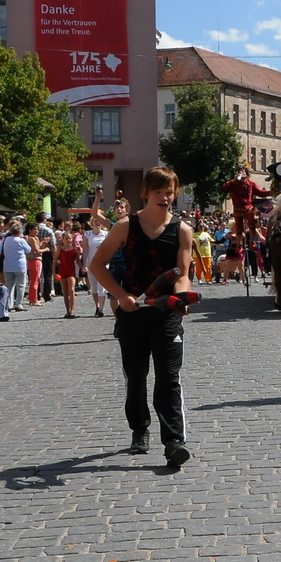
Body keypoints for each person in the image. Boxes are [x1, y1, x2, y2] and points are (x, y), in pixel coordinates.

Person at [88, 166, 195, 469]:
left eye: (169, 191)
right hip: (133, 313)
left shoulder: (182, 230)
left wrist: (182, 297)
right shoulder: (125, 226)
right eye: (158, 191)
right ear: (146, 193)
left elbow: (183, 274)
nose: (164, 197)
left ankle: (174, 441)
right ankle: (139, 428)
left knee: (169, 378)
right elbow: (97, 265)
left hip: (165, 315)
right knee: (135, 376)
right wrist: (121, 296)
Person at [82, 208, 111, 317]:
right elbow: (85, 251)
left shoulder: (106, 234)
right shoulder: (87, 235)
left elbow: (110, 247)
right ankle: (97, 306)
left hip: (103, 263)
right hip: (91, 263)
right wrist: (84, 264)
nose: (97, 223)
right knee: (94, 287)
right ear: (92, 223)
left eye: (99, 221)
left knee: (102, 286)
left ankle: (101, 309)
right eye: (95, 221)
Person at [0, 223, 32, 311]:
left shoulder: (5, 239)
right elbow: (29, 250)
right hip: (19, 265)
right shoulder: (21, 240)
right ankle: (18, 304)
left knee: (9, 286)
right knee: (21, 285)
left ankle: (8, 305)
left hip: (7, 265)